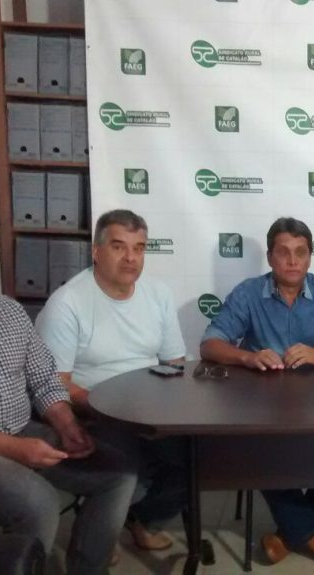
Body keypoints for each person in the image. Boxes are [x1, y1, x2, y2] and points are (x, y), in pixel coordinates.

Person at [0, 214, 136, 575]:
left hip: (25, 430)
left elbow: (44, 377)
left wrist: (66, 424)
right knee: (39, 503)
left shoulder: (8, 311)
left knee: (119, 474)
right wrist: (13, 448)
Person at [200, 217, 314, 572]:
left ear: (310, 257)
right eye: (283, 253)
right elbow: (210, 343)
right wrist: (247, 356)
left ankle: (288, 536)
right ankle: (313, 537)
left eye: (300, 253)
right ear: (270, 258)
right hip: (261, 405)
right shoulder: (248, 293)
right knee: (256, 450)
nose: (292, 261)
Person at [36, 209, 188, 551]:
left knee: (197, 458)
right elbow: (54, 383)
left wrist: (174, 408)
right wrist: (105, 406)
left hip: (151, 408)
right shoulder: (68, 303)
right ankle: (103, 527)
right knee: (126, 463)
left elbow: (175, 363)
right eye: (119, 247)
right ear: (96, 251)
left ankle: (141, 519)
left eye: (139, 248)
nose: (131, 258)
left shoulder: (158, 293)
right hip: (95, 411)